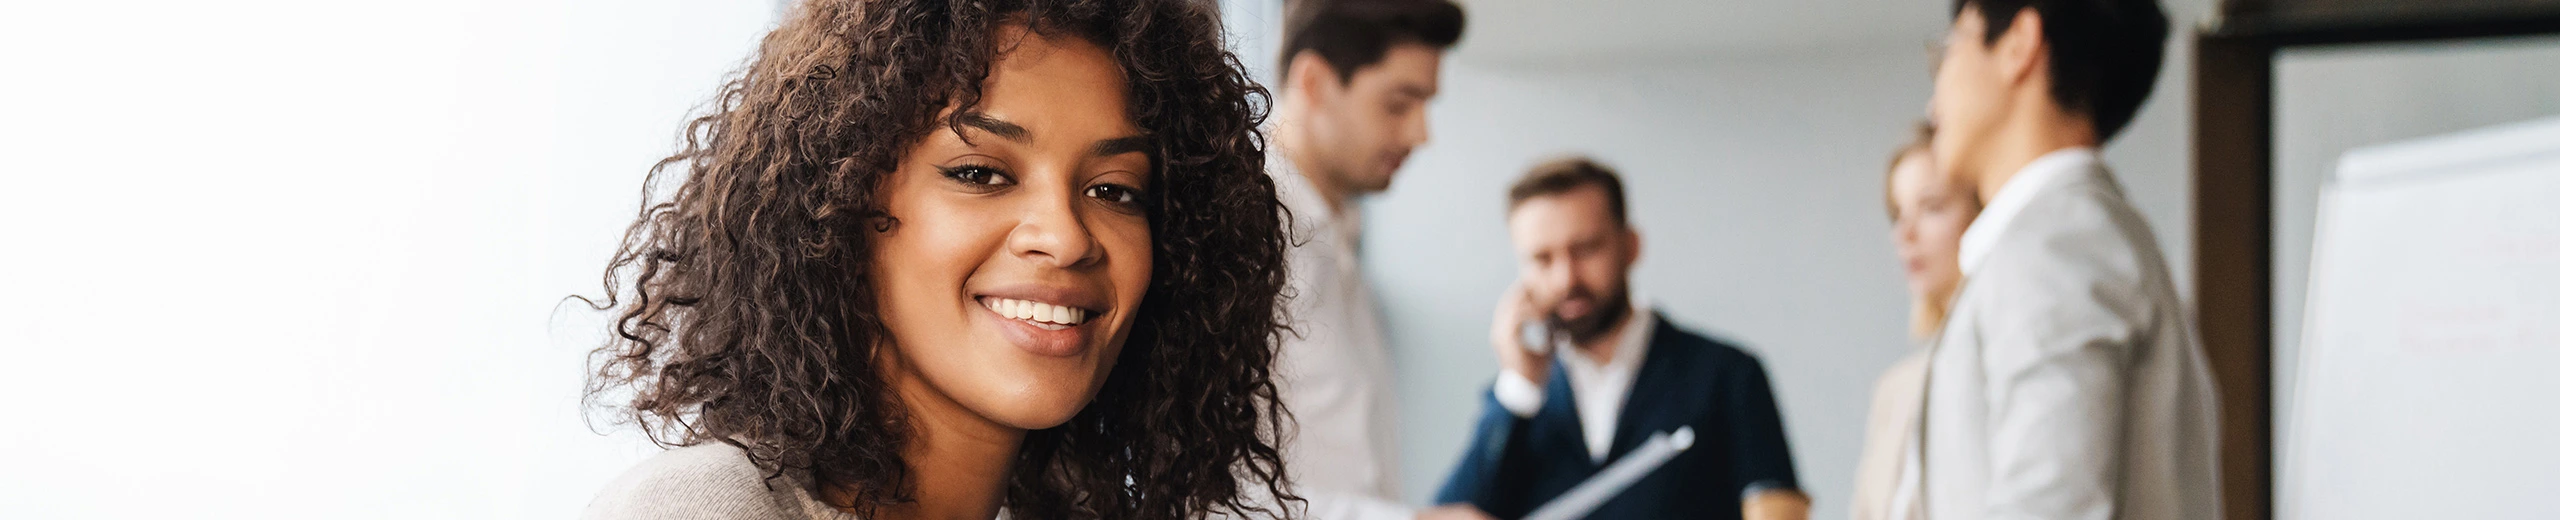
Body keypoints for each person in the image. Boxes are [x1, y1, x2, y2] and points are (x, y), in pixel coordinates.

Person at [577, 0, 1297, 518]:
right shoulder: (701, 509)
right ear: (837, 209)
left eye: (1115, 189)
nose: (1068, 236)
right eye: (980, 173)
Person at [1917, 0, 2223, 517]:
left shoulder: (2055, 246)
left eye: (1949, 50)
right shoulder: (2080, 237)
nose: (1932, 104)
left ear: (2019, 44)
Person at [1434, 157, 1810, 520]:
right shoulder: (1519, 405)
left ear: (1630, 246)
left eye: (1586, 249)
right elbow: (1446, 516)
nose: (1567, 279)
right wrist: (1519, 389)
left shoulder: (1728, 375)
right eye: (1542, 259)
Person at [1262, 0, 1477, 519]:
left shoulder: (1336, 234)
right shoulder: (1245, 240)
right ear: (1312, 82)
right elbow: (1202, 493)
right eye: (1399, 104)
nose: (1421, 135)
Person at [1846, 124, 1980, 520]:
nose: (1904, 234)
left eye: (1932, 207)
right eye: (1897, 215)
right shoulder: (1895, 391)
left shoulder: (2009, 365)